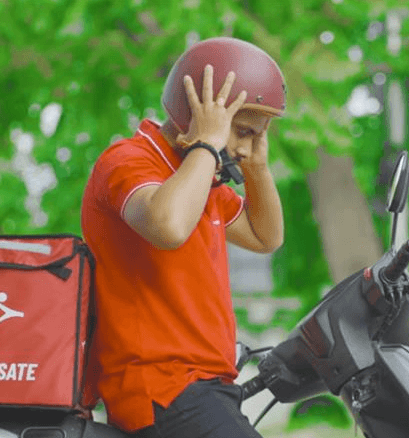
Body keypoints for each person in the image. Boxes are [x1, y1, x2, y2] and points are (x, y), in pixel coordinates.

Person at [80, 37, 286, 438]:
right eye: (242, 131)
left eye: (256, 136)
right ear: (195, 113)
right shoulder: (127, 161)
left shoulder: (199, 179)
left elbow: (265, 237)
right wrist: (208, 143)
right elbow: (168, 227)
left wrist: (258, 168)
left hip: (201, 388)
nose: (245, 148)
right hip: (161, 388)